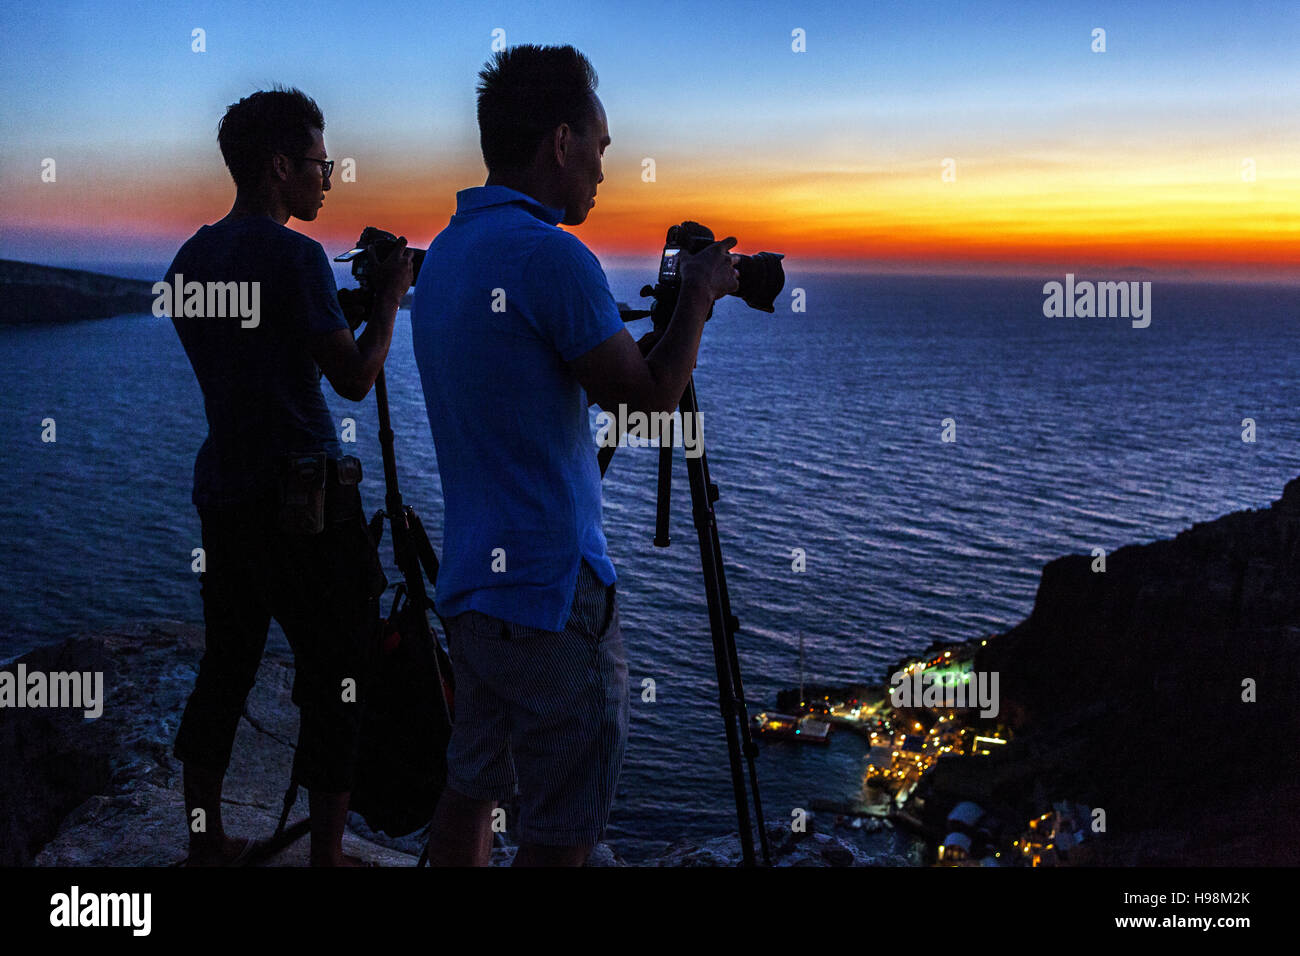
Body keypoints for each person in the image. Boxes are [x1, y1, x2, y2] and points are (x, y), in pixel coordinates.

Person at [411, 45, 739, 866]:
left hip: (470, 586)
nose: (604, 167)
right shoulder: (552, 256)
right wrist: (697, 294)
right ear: (560, 141)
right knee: (562, 832)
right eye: (598, 144)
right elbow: (652, 401)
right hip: (554, 596)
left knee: (470, 791)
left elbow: (550, 363)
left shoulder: (448, 251)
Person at [167, 87, 413, 866]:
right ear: (279, 165)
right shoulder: (297, 256)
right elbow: (353, 378)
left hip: (226, 495)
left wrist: (332, 310)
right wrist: (390, 303)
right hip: (306, 505)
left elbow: (253, 355)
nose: (328, 179)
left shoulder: (191, 258)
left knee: (226, 666)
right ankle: (328, 855)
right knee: (338, 671)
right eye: (319, 163)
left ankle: (206, 843)